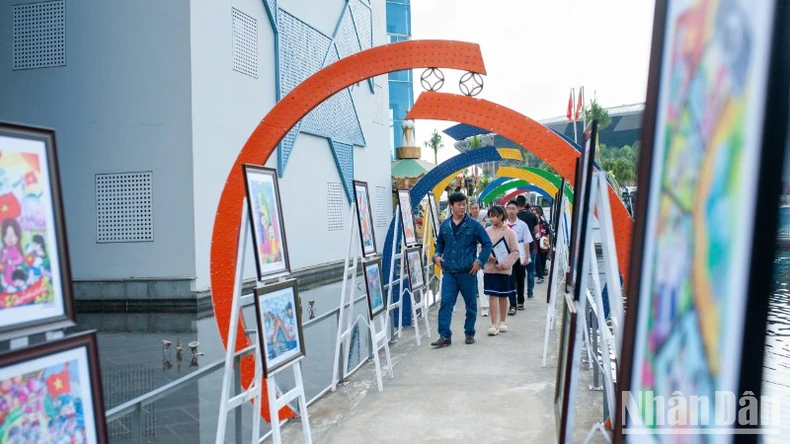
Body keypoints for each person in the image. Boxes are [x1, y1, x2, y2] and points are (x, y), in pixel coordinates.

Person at [431, 192, 493, 347]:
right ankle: (444, 336)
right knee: (445, 303)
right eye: (458, 204)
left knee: (471, 304)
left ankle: (469, 332)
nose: (462, 207)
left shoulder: (474, 225)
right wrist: (436, 256)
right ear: (451, 206)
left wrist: (479, 261)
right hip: (449, 272)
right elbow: (440, 244)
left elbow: (487, 244)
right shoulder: (445, 225)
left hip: (468, 272)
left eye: (464, 204)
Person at [482, 205, 519, 335]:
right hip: (490, 269)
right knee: (492, 295)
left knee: (503, 295)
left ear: (501, 216)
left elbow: (515, 252)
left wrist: (504, 264)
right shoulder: (487, 231)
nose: (491, 219)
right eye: (490, 216)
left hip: (504, 270)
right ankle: (493, 324)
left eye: (494, 216)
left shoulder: (510, 232)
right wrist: (489, 256)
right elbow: (482, 248)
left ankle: (502, 321)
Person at [505, 200, 533, 313]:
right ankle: (512, 304)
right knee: (510, 279)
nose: (511, 211)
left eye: (513, 209)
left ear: (517, 210)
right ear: (506, 210)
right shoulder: (504, 225)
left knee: (520, 278)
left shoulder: (522, 225)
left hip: (520, 253)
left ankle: (520, 301)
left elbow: (526, 241)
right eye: (509, 208)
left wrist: (527, 256)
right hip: (507, 255)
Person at [515, 195, 539, 300]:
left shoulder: (515, 216)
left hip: (517, 247)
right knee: (530, 270)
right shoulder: (532, 216)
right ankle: (530, 292)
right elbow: (536, 230)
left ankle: (516, 291)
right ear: (525, 203)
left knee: (517, 271)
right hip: (530, 245)